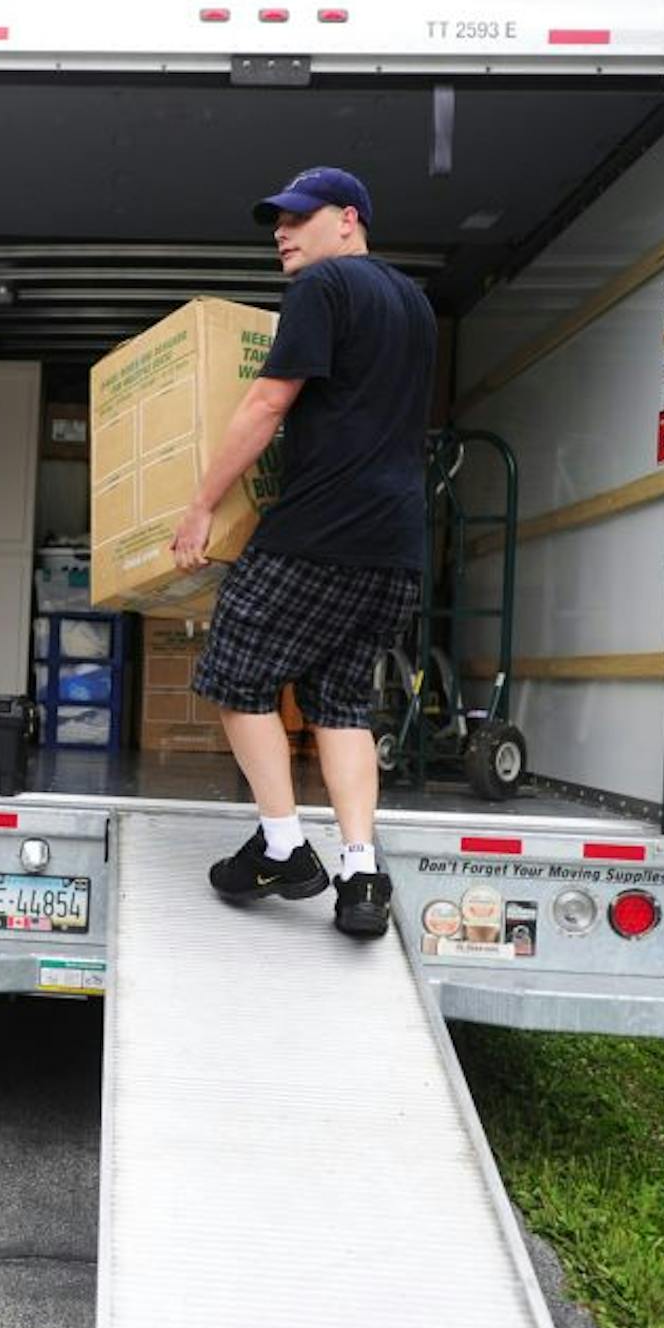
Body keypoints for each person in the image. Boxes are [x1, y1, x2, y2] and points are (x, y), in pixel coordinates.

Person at [169, 167, 434, 940]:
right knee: (342, 702)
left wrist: (202, 504)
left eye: (298, 218)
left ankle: (283, 847)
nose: (281, 232)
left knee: (235, 673)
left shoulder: (325, 290)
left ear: (348, 219)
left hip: (321, 532)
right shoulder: (414, 303)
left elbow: (268, 401)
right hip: (397, 546)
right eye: (276, 222)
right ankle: (360, 871)